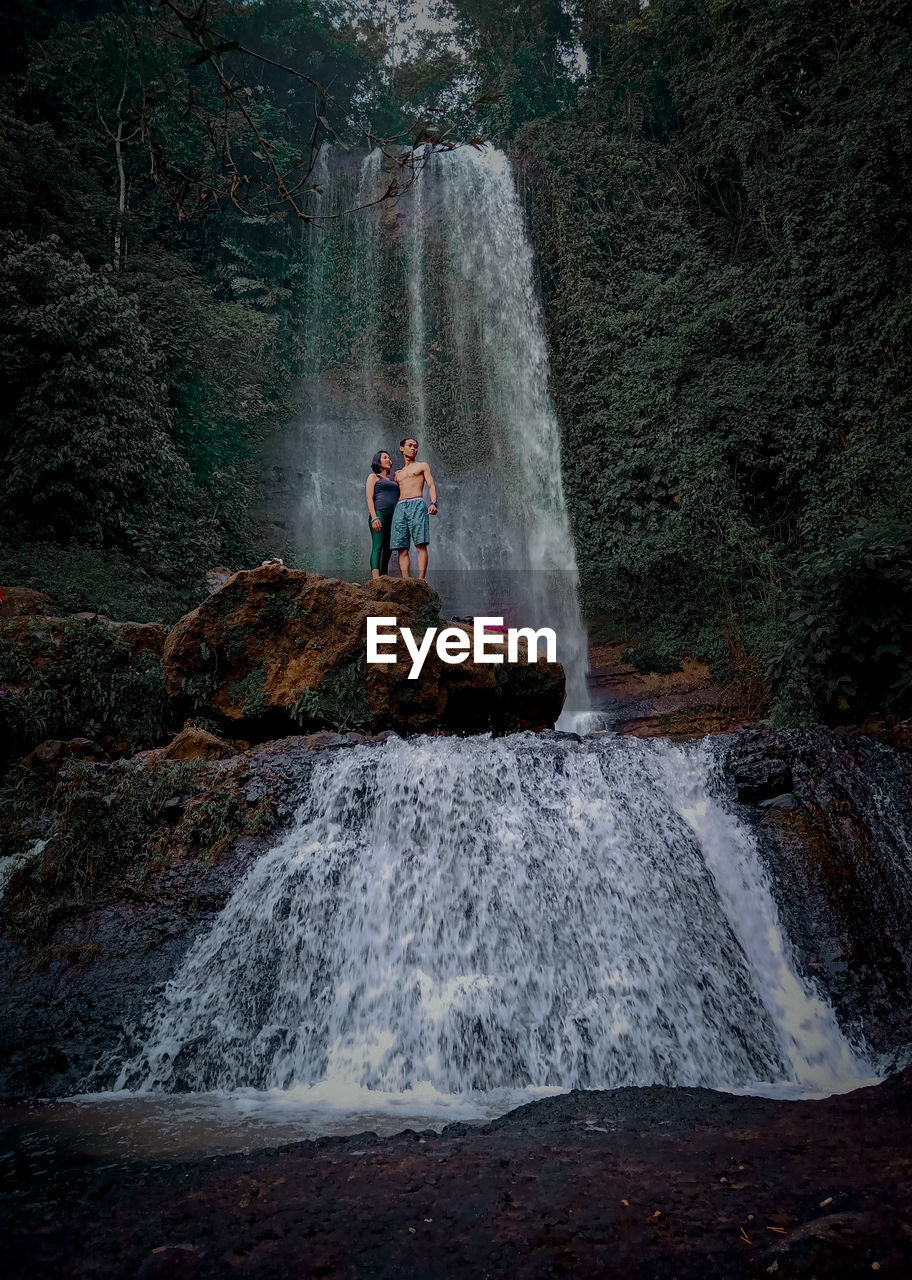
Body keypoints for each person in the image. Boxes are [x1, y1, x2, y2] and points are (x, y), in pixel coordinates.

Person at [390, 437, 438, 580]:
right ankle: (406, 580)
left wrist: (434, 503)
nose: (413, 448)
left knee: (420, 544)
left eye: (416, 446)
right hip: (400, 507)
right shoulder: (397, 474)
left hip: (417, 504)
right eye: (410, 445)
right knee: (402, 548)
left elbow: (431, 485)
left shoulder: (422, 466)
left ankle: (421, 580)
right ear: (402, 448)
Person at [365, 451, 399, 578]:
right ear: (378, 461)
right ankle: (375, 578)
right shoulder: (373, 477)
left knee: (388, 547)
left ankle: (384, 576)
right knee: (378, 545)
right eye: (385, 457)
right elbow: (369, 497)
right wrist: (374, 517)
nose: (388, 460)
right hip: (379, 513)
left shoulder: (394, 480)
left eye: (390, 458)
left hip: (393, 517)